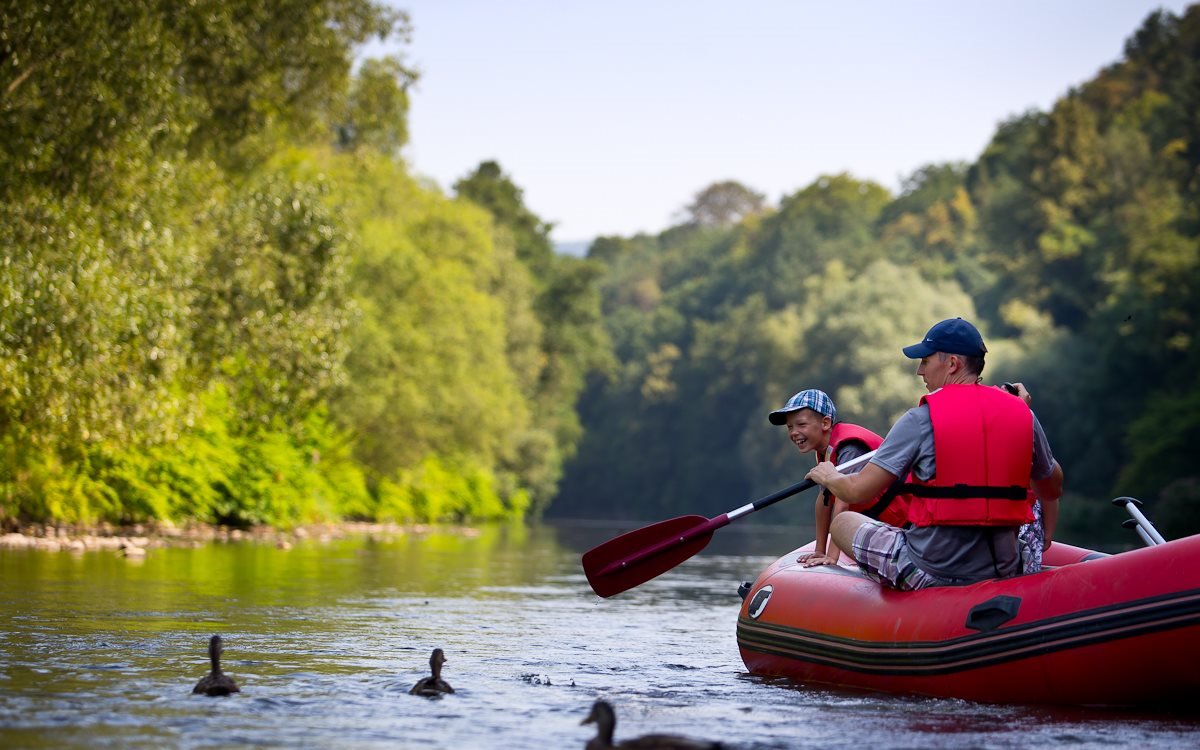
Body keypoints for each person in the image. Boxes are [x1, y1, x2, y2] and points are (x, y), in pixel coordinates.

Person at [806, 318, 1064, 590]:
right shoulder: (1023, 413)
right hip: (1003, 566)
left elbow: (856, 491)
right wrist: (1021, 419)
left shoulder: (920, 419)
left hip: (930, 570)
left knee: (844, 522)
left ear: (952, 364)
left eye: (925, 361)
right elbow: (1052, 488)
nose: (920, 371)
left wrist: (829, 475)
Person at [768, 389, 907, 568]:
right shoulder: (825, 452)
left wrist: (832, 557)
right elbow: (825, 500)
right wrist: (820, 549)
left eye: (801, 425)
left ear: (825, 423)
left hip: (905, 525)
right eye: (790, 427)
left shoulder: (849, 449)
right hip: (879, 523)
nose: (794, 432)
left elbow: (843, 502)